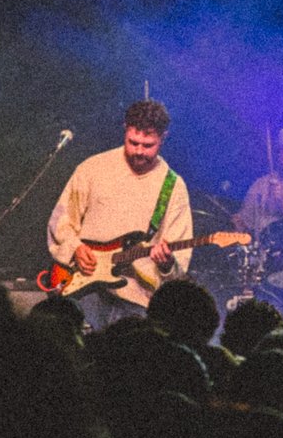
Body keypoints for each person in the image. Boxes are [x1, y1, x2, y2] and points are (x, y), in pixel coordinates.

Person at [46, 100, 196, 324]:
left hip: (138, 298)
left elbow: (180, 258)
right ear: (125, 129)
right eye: (133, 142)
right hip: (85, 288)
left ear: (163, 138)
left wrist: (166, 265)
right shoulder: (93, 168)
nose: (139, 151)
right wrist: (75, 248)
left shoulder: (172, 186)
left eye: (148, 145)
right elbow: (61, 220)